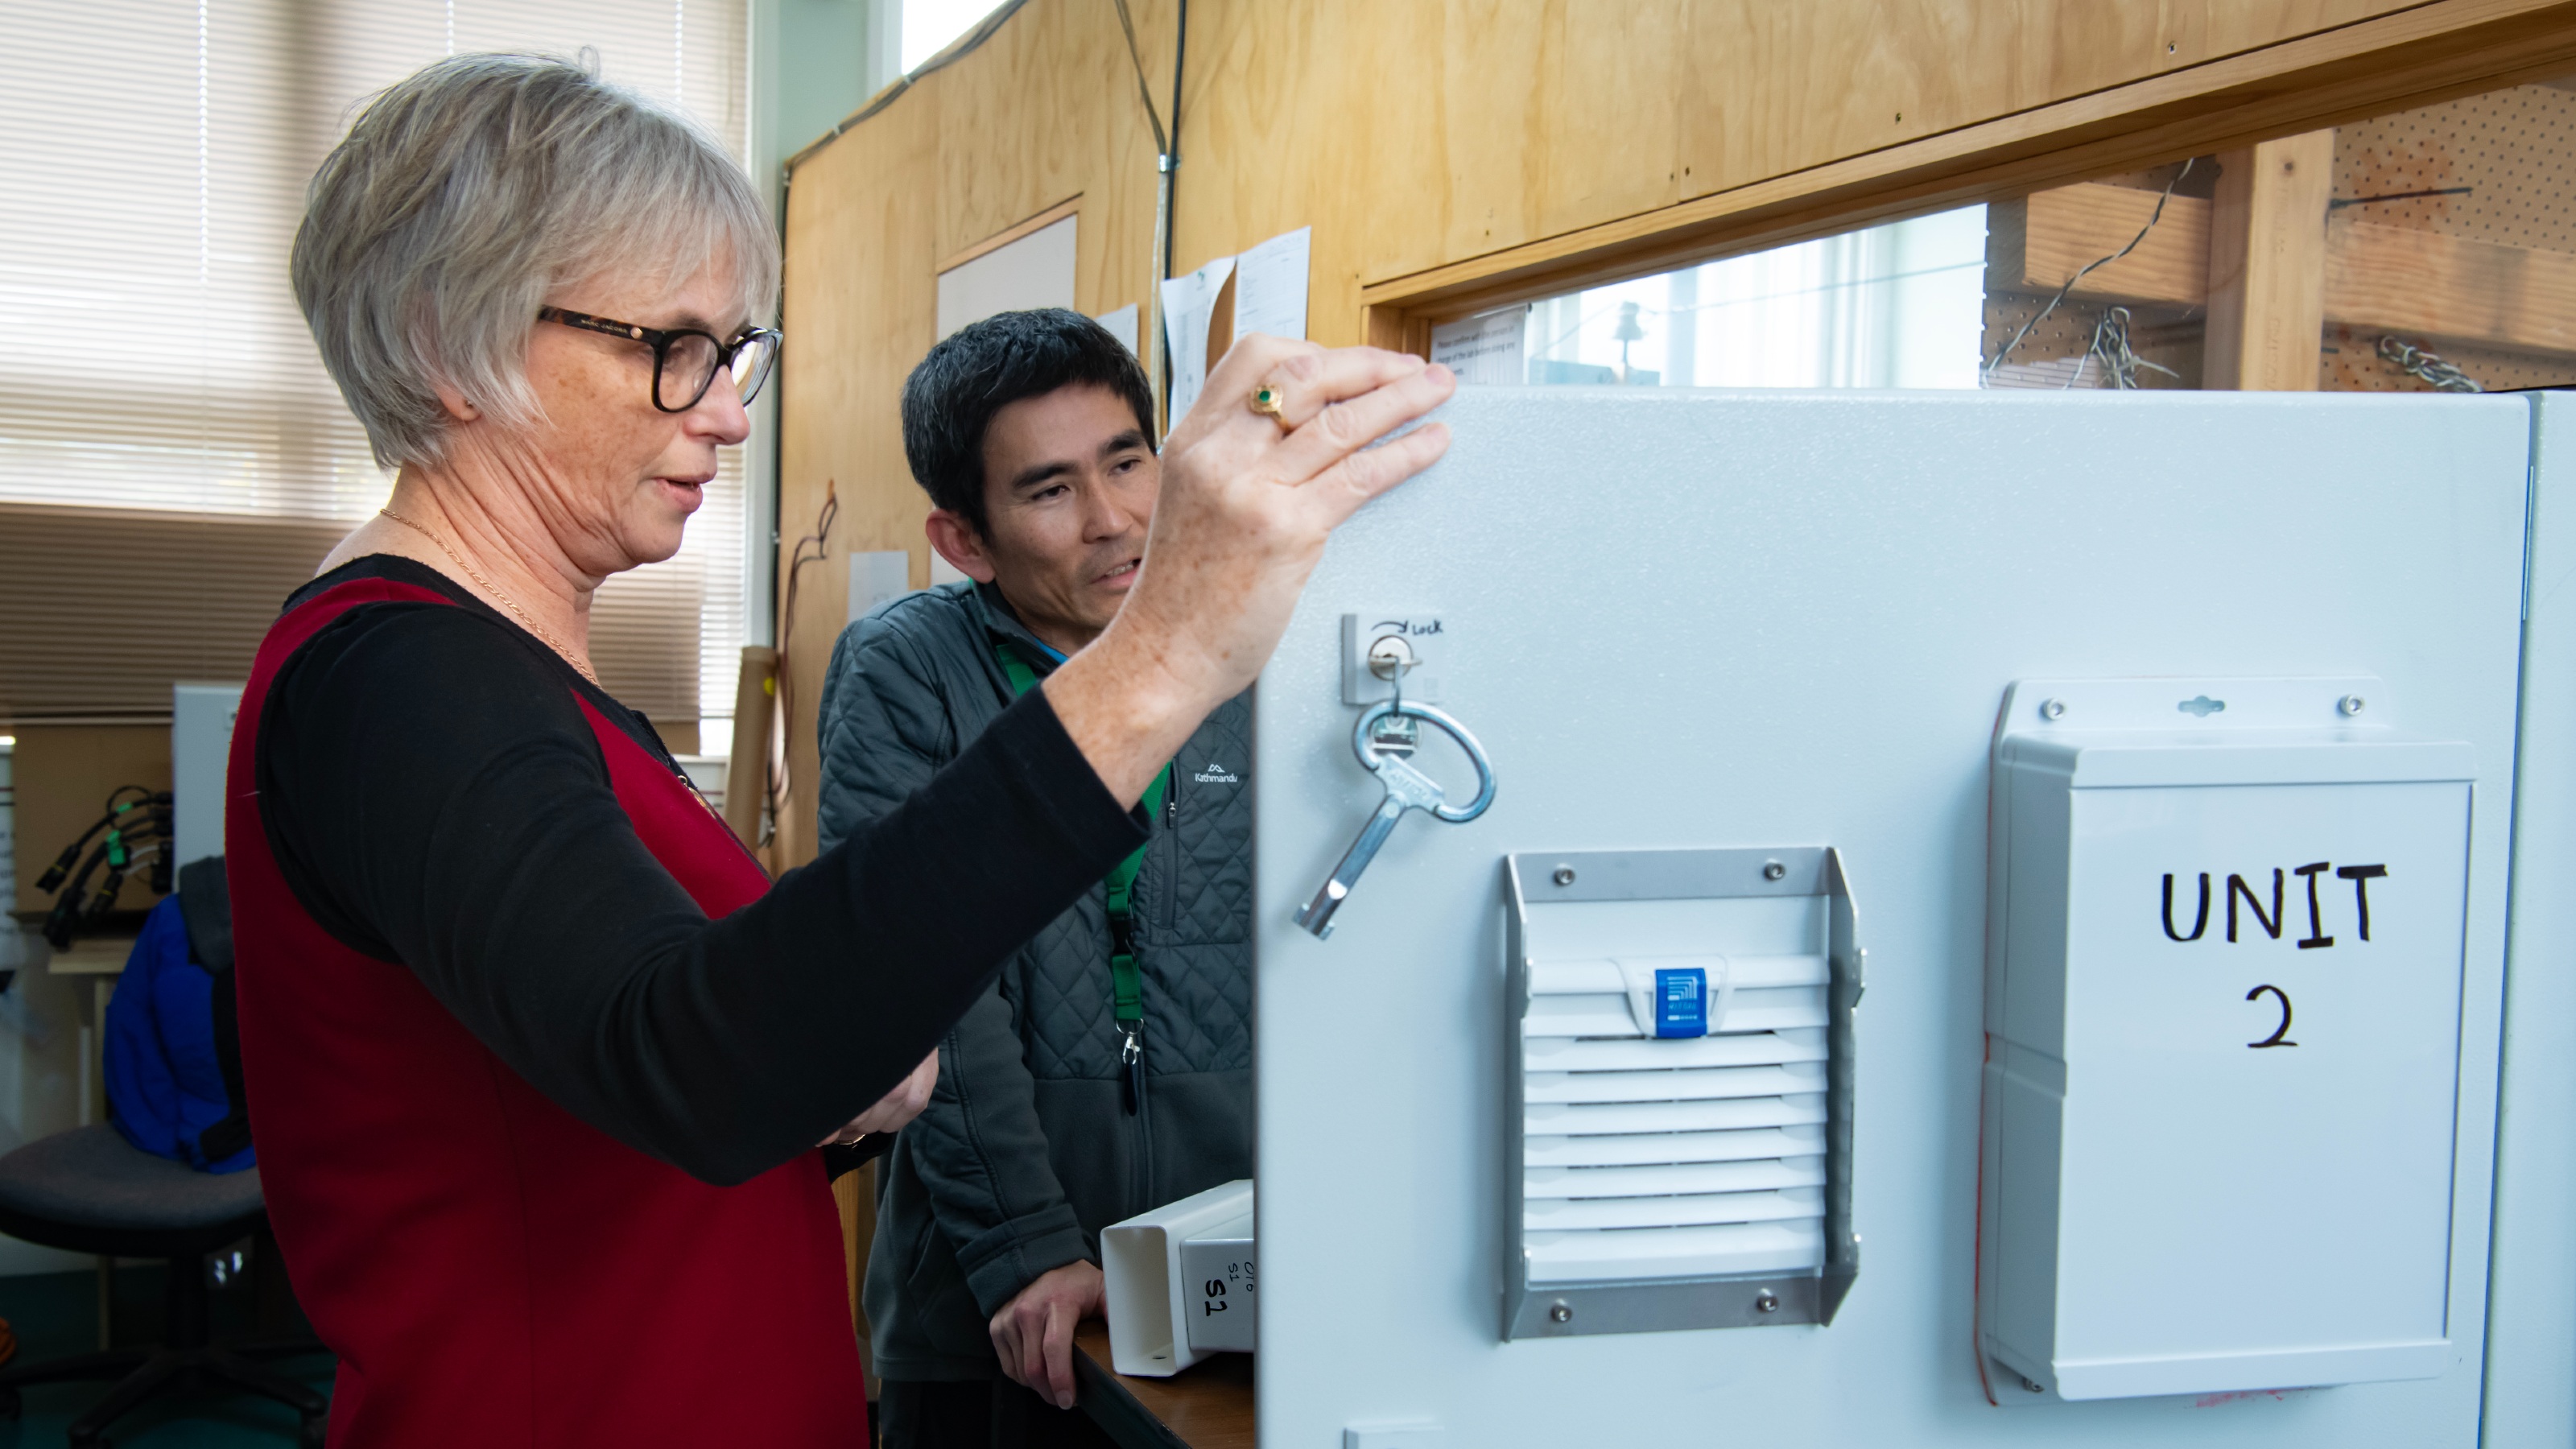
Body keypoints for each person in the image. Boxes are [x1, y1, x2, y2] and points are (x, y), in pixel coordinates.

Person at [237, 52, 1454, 1448]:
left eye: (731, 354)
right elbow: (687, 1061)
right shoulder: (401, 679)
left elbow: (633, 1050)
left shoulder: (497, 669)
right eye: (670, 350)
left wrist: (843, 1091)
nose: (727, 411)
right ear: (457, 348)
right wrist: (1169, 653)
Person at [817, 310, 1249, 1447]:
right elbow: (924, 983)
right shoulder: (910, 671)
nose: (1114, 521)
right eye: (1051, 490)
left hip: (1235, 1276)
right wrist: (1028, 1248)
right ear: (965, 540)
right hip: (994, 1294)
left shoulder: (1258, 650)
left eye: (1127, 461)